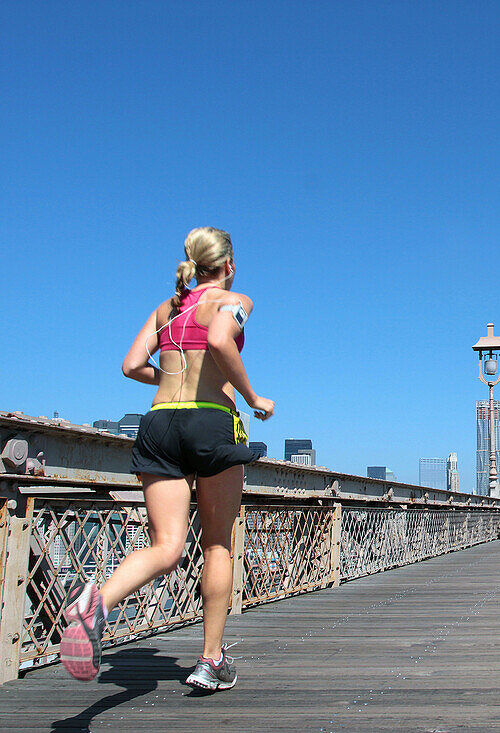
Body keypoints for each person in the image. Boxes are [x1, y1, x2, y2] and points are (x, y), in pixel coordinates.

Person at [58, 227, 274, 692]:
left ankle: (94, 604)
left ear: (194, 265)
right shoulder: (235, 300)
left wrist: (170, 378)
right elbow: (219, 339)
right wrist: (254, 398)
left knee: (166, 547)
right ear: (229, 266)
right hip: (209, 420)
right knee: (217, 544)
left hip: (158, 422)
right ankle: (210, 661)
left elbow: (131, 365)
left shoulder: (168, 309)